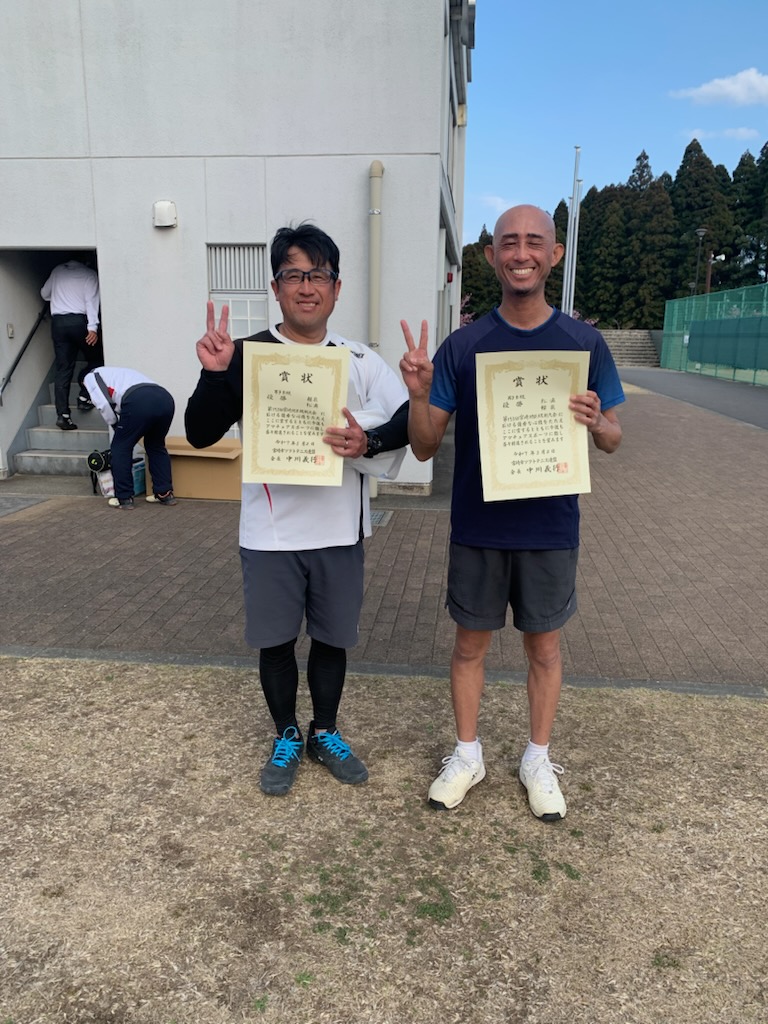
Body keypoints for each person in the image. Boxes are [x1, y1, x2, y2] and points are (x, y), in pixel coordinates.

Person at [400, 204, 624, 822]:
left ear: (553, 255)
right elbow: (423, 444)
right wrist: (419, 394)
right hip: (479, 523)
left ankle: (536, 757)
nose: (520, 253)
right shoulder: (464, 345)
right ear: (492, 255)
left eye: (533, 242)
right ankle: (467, 754)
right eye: (507, 243)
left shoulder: (583, 344)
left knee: (544, 649)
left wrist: (597, 420)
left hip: (550, 525)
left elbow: (612, 438)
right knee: (469, 644)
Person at [185, 223, 409, 796]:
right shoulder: (249, 355)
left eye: (318, 275)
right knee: (276, 642)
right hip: (270, 532)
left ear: (337, 288)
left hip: (339, 528)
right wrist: (214, 378)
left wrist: (371, 442)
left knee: (332, 640)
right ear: (276, 286)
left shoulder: (358, 358)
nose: (306, 286)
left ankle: (325, 730)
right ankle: (286, 732)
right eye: (293, 274)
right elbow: (201, 432)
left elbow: (406, 415)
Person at [83, 366, 177, 510]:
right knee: (155, 445)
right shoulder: (116, 373)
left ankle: (124, 498)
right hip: (165, 399)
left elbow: (103, 404)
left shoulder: (90, 377)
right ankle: (165, 494)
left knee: (120, 447)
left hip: (139, 400)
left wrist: (115, 425)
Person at [41, 258, 103, 430]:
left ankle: (63, 415)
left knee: (63, 369)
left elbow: (44, 294)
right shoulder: (89, 275)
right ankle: (85, 396)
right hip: (80, 323)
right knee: (96, 360)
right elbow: (91, 301)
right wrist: (93, 327)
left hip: (58, 323)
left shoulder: (57, 270)